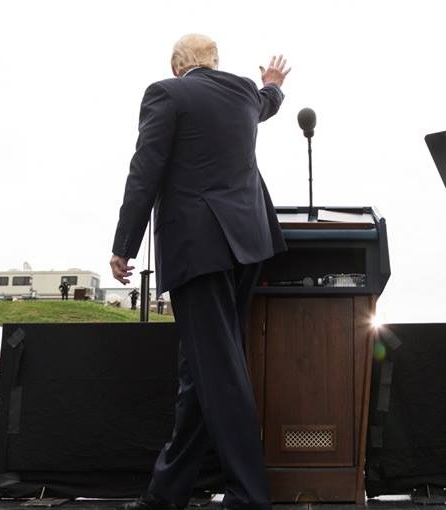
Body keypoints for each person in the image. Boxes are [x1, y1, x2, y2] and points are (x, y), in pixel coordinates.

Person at [110, 34, 289, 510]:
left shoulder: (167, 94)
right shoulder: (246, 94)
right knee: (202, 370)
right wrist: (273, 83)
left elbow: (145, 169)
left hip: (199, 247)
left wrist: (124, 245)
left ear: (176, 67)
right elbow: (269, 101)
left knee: (221, 370)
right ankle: (166, 493)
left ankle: (249, 496)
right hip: (249, 246)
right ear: (214, 61)